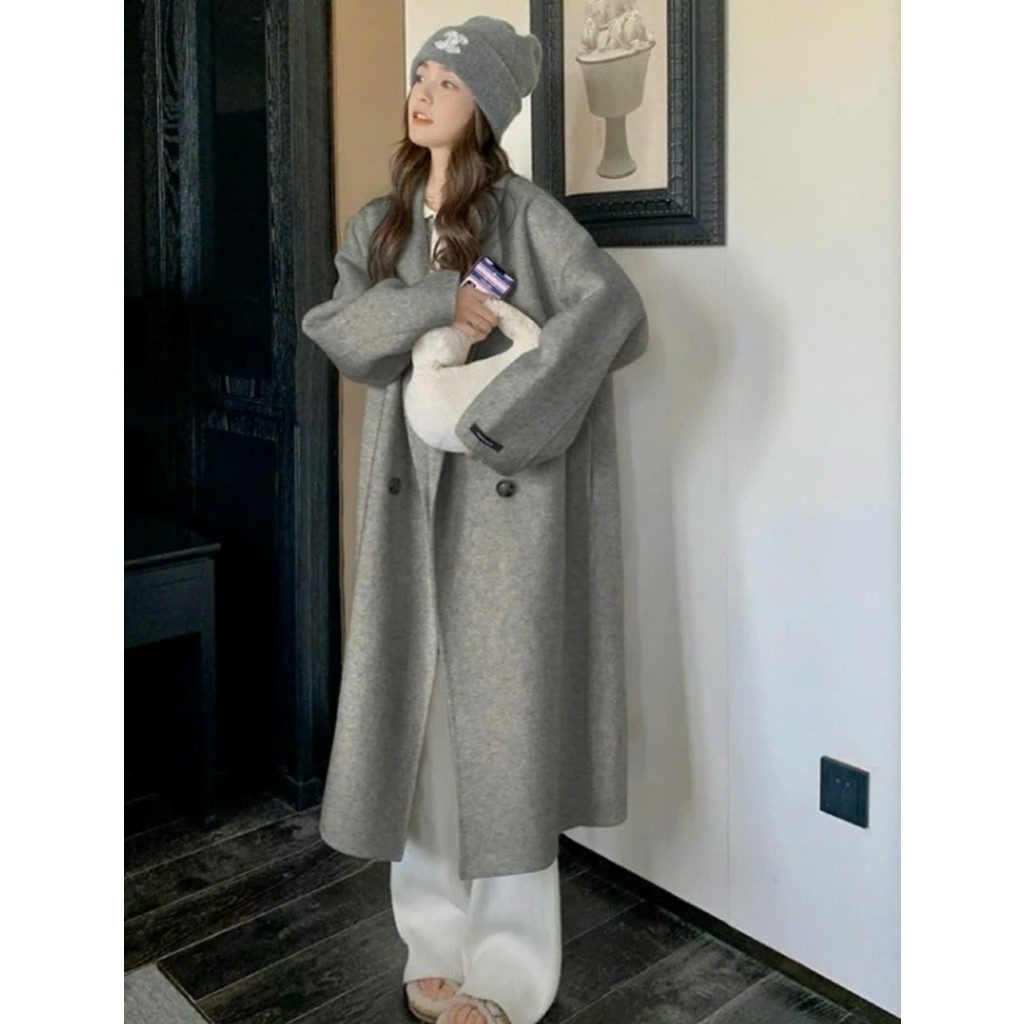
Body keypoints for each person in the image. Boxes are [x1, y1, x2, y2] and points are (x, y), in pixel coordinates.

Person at [300, 16, 649, 1024]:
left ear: (487, 106)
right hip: (408, 505)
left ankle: (510, 966)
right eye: (420, 74)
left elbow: (613, 313)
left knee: (506, 732)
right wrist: (437, 300)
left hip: (509, 516)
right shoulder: (381, 222)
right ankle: (432, 939)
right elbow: (340, 333)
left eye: (447, 81)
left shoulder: (529, 216)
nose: (422, 91)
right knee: (419, 726)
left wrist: (505, 420)